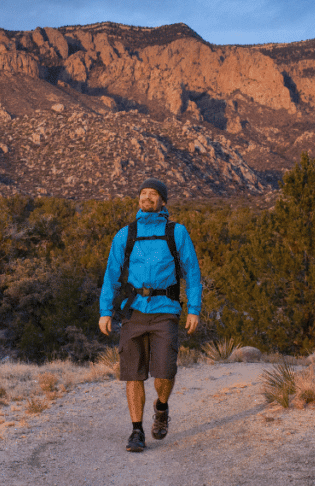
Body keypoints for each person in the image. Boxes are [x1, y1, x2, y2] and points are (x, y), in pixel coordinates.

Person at [98, 178, 202, 452]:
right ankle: (136, 431)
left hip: (165, 312)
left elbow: (192, 272)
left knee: (165, 372)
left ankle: (162, 406)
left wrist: (194, 309)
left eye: (153, 194)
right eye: (143, 193)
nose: (147, 197)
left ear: (163, 201)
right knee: (133, 374)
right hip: (133, 312)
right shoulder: (126, 234)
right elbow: (111, 275)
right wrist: (105, 311)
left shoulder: (176, 232)